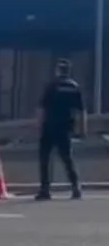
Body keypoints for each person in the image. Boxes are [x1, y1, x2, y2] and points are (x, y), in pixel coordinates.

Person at [36, 58, 85, 201]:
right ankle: (76, 187)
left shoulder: (52, 86)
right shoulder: (74, 87)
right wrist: (83, 129)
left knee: (45, 159)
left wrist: (39, 125)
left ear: (58, 71)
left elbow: (42, 108)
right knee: (67, 158)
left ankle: (45, 189)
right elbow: (81, 111)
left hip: (49, 126)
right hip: (65, 127)